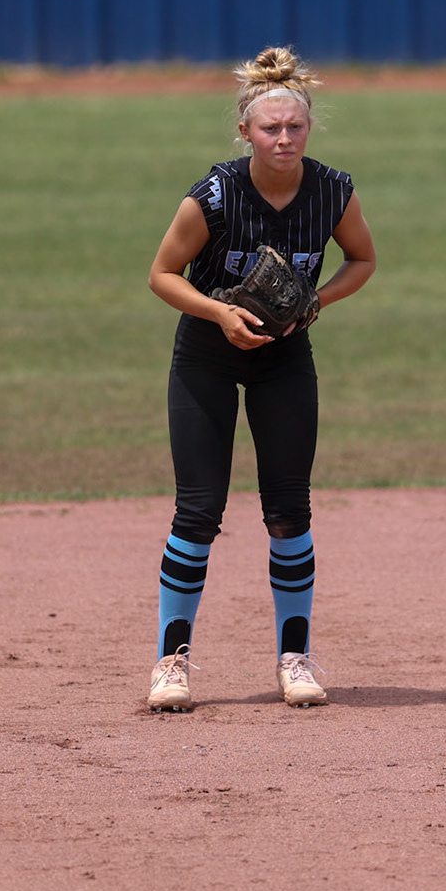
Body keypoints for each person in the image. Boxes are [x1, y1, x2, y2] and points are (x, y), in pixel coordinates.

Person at [142, 46, 377, 712]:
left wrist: (315, 303)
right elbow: (161, 275)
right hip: (208, 359)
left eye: (294, 127)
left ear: (309, 129)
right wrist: (220, 312)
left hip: (284, 360)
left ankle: (295, 658)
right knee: (197, 513)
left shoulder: (332, 191)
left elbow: (362, 259)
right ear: (244, 131)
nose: (283, 138)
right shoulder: (213, 195)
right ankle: (171, 663)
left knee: (289, 512)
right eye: (269, 128)